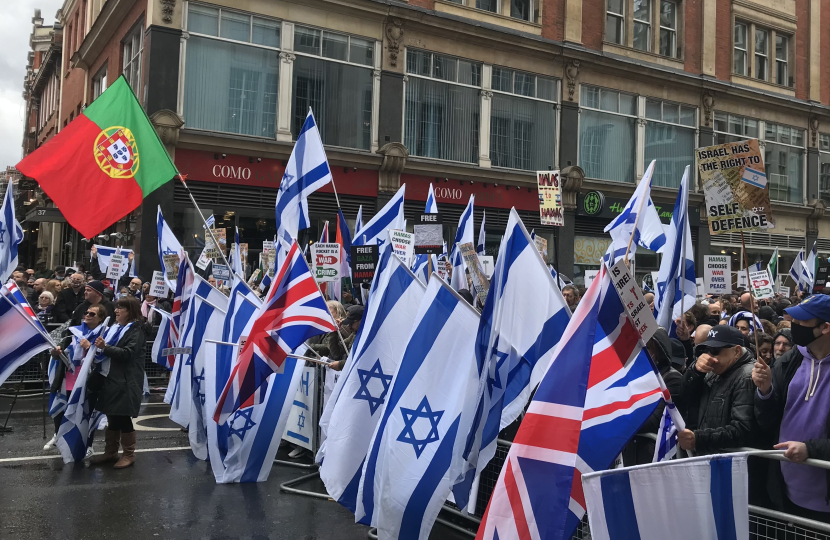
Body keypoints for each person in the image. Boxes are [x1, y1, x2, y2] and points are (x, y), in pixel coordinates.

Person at [752, 295, 830, 521]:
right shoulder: (787, 362)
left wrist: (810, 449)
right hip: (784, 492)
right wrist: (765, 391)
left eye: (801, 321)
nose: (793, 324)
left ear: (825, 327)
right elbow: (767, 422)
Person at [88, 296, 147, 469]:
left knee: (122, 417)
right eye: (116, 307)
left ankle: (129, 454)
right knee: (112, 415)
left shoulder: (136, 330)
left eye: (121, 308)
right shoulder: (117, 328)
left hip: (125, 380)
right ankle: (110, 451)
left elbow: (128, 353)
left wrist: (105, 347)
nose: (116, 311)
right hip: (112, 378)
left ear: (131, 311)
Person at [678, 325, 755, 454]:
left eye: (714, 350)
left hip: (732, 463)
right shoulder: (713, 371)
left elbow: (742, 430)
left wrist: (699, 439)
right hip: (712, 456)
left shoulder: (747, 376)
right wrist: (695, 372)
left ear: (736, 352)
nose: (708, 357)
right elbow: (685, 398)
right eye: (706, 350)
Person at [44, 304, 108, 452]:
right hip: (67, 379)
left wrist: (88, 347)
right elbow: (57, 351)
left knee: (86, 414)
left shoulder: (103, 335)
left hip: (88, 381)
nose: (87, 315)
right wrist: (56, 352)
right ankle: (59, 439)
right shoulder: (73, 332)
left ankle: (88, 446)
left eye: (92, 314)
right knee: (61, 412)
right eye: (86, 313)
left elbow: (103, 358)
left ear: (100, 319)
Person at [326, 305, 364, 371]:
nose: (349, 326)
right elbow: (336, 352)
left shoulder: (367, 337)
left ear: (360, 321)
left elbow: (361, 360)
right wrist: (334, 331)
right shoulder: (354, 335)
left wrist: (340, 365)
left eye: (351, 323)